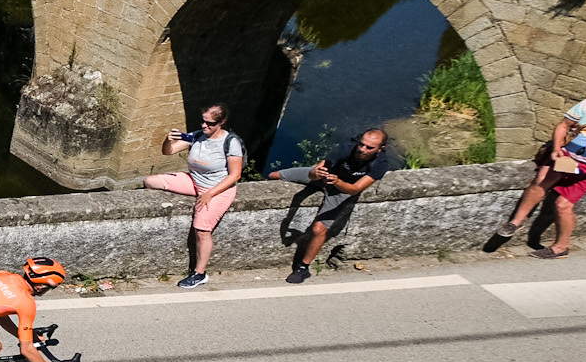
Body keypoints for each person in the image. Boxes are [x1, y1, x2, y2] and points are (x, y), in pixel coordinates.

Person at [494, 91, 586, 258]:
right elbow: (563, 126)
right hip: (568, 158)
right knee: (543, 177)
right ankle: (515, 223)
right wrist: (557, 148)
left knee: (562, 205)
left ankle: (561, 247)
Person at [267, 129, 396, 283]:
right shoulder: (348, 147)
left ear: (380, 148)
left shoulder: (381, 163)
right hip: (326, 177)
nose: (362, 149)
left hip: (343, 189)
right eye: (362, 144)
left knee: (319, 229)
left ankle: (303, 268)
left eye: (369, 148)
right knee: (274, 176)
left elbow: (355, 189)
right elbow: (317, 170)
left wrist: (337, 182)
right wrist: (316, 173)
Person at [143, 104, 245, 289]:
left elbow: (235, 175)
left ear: (221, 122)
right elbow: (169, 151)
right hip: (195, 181)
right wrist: (168, 140)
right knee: (151, 181)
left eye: (210, 123)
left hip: (218, 189)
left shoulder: (231, 143)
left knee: (202, 230)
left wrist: (210, 194)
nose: (205, 126)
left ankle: (199, 273)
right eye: (203, 121)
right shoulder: (197, 135)